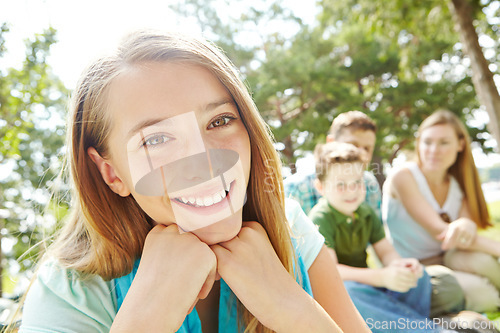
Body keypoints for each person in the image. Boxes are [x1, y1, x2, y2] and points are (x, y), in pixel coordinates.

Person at [18, 30, 370, 333]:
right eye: (155, 139)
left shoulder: (290, 228)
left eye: (219, 121)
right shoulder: (68, 291)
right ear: (111, 173)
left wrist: (292, 310)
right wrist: (146, 318)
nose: (204, 162)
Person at [308, 141, 453, 333]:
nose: (351, 191)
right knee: (350, 291)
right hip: (340, 293)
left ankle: (410, 326)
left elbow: (385, 251)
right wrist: (381, 277)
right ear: (321, 187)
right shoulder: (321, 217)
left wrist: (399, 266)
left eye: (357, 182)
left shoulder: (365, 212)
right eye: (341, 185)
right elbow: (333, 273)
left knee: (419, 276)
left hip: (368, 286)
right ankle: (426, 330)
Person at [383, 109, 500, 313]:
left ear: (460, 145)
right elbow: (442, 233)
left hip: (449, 259)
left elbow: (464, 239)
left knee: (481, 261)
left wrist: (467, 225)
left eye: (444, 142)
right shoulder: (403, 176)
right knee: (484, 294)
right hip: (416, 269)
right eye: (427, 142)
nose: (434, 150)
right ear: (419, 144)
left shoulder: (458, 185)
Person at [284, 111, 381, 216]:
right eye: (352, 145)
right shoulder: (295, 189)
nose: (361, 153)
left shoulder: (370, 183)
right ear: (331, 142)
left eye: (367, 148)